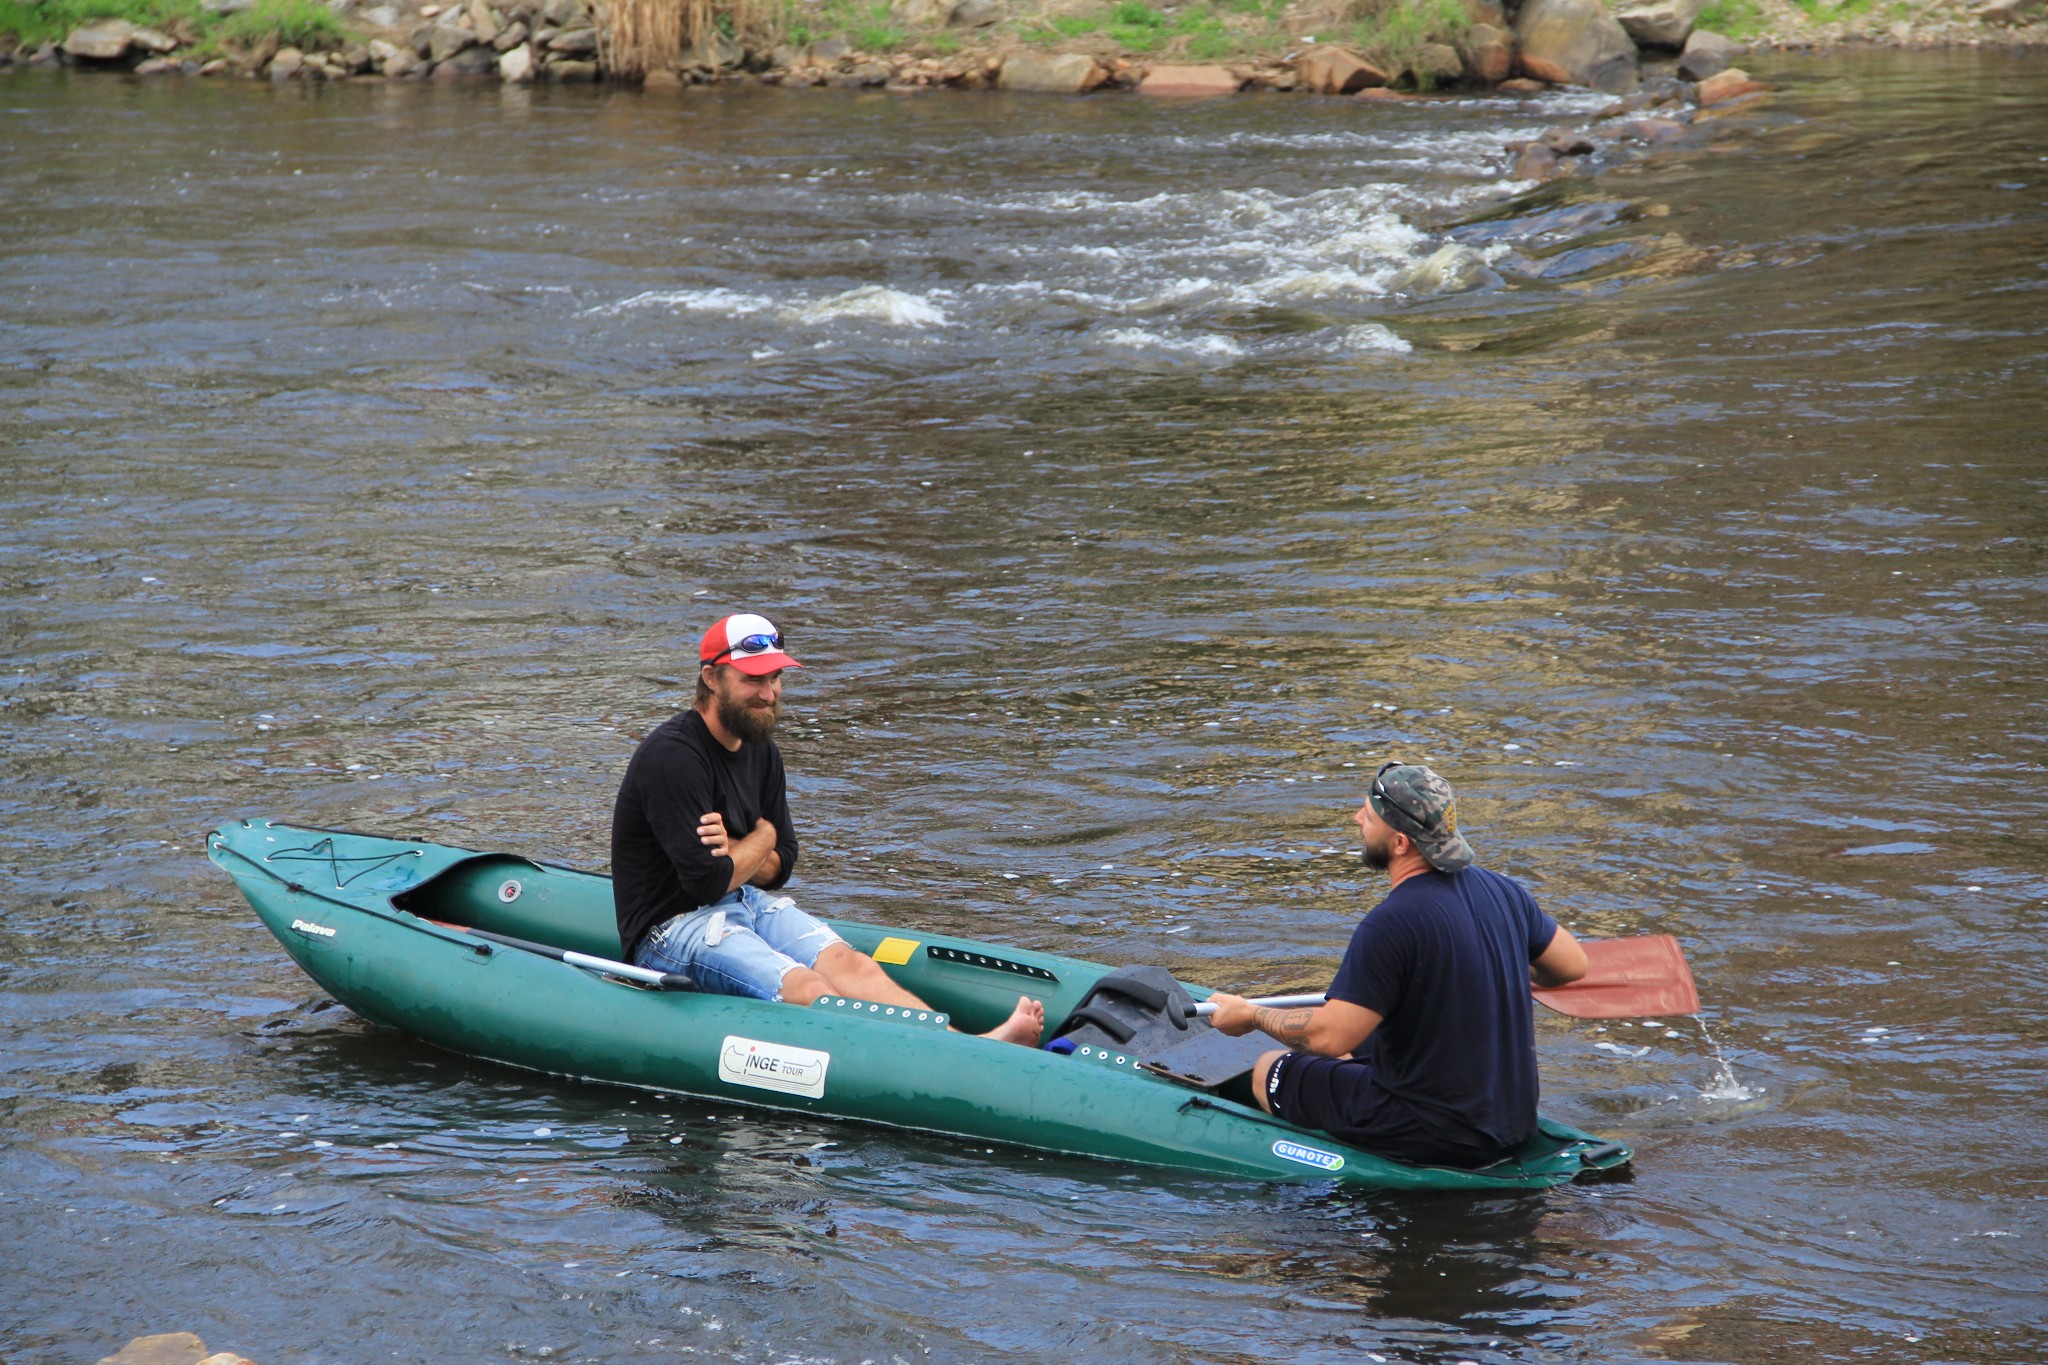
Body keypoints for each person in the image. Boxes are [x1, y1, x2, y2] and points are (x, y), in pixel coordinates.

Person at [610, 611, 1043, 1046]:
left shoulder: (763, 752)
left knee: (855, 968)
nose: (769, 693)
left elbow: (783, 865)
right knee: (807, 987)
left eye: (775, 677)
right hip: (670, 929)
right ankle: (938, 1058)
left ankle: (974, 1046)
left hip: (744, 901)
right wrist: (761, 838)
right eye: (753, 679)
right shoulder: (673, 757)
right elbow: (707, 881)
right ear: (711, 678)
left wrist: (742, 851)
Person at [1207, 762, 1587, 1168]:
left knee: (1270, 1068)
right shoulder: (1504, 891)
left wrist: (1251, 1015)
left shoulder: (1391, 922)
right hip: (1513, 1121)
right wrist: (1492, 964)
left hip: (1437, 1133)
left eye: (1368, 817)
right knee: (1364, 1037)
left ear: (1401, 842)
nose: (1357, 819)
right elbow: (1571, 966)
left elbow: (1328, 1039)